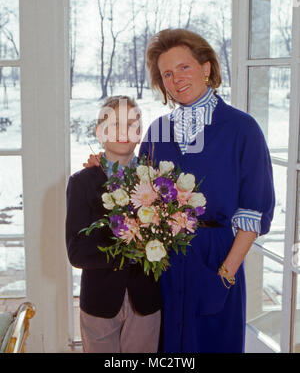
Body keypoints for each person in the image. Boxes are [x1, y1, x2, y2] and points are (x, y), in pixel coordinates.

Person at [84, 28, 275, 353]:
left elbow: (253, 211)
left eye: (184, 67)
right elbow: (139, 188)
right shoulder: (159, 129)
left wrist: (226, 272)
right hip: (163, 263)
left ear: (206, 68)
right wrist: (107, 170)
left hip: (216, 258)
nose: (176, 79)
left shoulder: (242, 129)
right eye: (167, 73)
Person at [66, 96, 162, 353]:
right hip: (100, 301)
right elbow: (76, 252)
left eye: (132, 124)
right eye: (115, 123)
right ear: (100, 132)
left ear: (140, 133)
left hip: (146, 299)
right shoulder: (81, 183)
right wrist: (127, 250)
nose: (124, 131)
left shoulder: (156, 181)